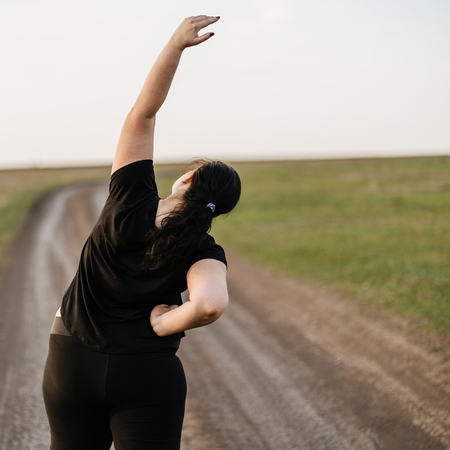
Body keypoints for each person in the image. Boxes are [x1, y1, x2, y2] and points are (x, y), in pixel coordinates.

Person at [42, 15, 241, 450]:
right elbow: (209, 305)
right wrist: (167, 321)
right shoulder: (204, 249)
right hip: (148, 373)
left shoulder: (129, 198)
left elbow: (143, 114)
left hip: (71, 359)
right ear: (216, 211)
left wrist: (175, 45)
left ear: (187, 179)